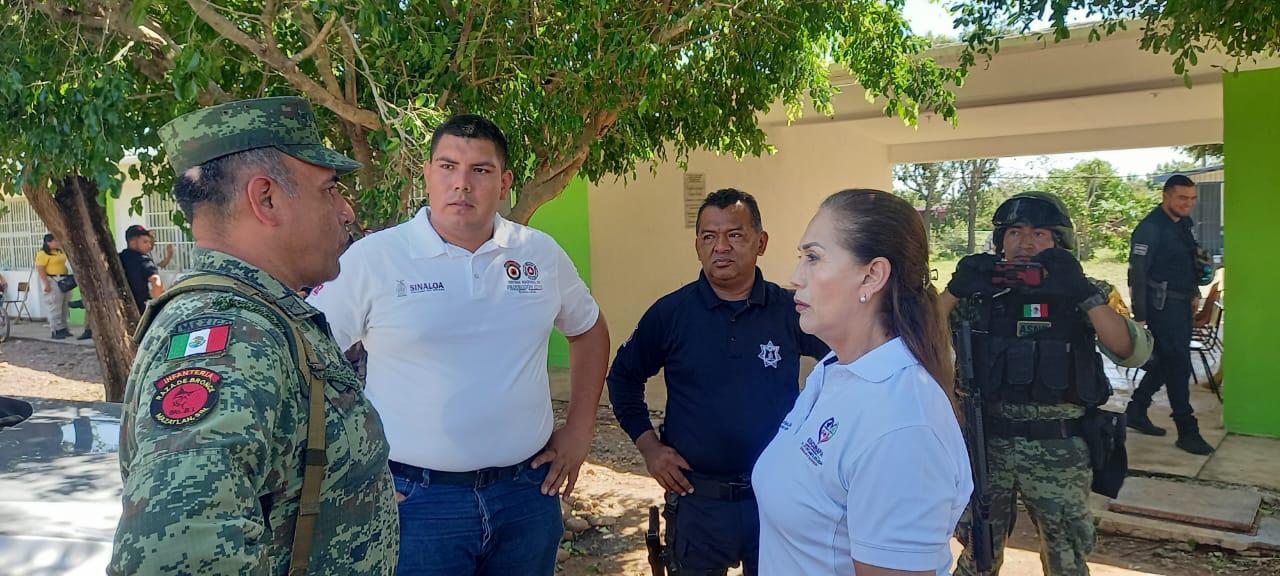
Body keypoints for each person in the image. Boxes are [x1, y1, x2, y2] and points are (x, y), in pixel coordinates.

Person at [308, 113, 610, 576]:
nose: (461, 184)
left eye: (480, 171)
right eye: (447, 167)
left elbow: (587, 329)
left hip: (527, 496)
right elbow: (309, 358)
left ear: (504, 181)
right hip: (417, 502)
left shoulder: (538, 254)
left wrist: (580, 427)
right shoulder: (375, 259)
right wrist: (348, 464)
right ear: (427, 173)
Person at [109, 96, 399, 575]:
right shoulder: (232, 335)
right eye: (330, 190)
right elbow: (174, 556)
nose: (347, 211)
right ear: (265, 198)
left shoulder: (264, 316)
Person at [607, 188, 828, 575]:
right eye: (709, 236)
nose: (721, 247)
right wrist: (649, 448)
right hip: (697, 502)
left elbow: (846, 359)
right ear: (697, 245)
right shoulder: (671, 314)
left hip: (777, 498)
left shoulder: (790, 311)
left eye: (735, 235)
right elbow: (623, 377)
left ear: (761, 242)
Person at [752, 189, 971, 576]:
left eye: (813, 258)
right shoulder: (833, 370)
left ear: (872, 275)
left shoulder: (903, 423)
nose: (795, 277)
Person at [941, 192, 1152, 576]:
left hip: (1060, 449)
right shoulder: (977, 294)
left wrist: (1083, 295)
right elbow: (918, 339)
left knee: (1066, 558)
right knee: (977, 554)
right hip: (987, 447)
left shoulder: (1087, 291)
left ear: (1058, 241)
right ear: (1000, 240)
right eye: (1015, 232)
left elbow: (1132, 351)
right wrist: (954, 292)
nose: (1026, 242)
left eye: (1039, 233)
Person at [1125, 174, 1215, 454]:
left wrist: (1195, 294)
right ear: (1166, 196)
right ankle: (1187, 430)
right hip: (1161, 307)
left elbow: (1187, 262)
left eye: (1192, 199)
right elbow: (1137, 274)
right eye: (1182, 198)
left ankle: (1136, 409)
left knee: (1167, 362)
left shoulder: (1182, 225)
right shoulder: (1150, 229)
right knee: (1178, 365)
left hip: (1181, 304)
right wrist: (1140, 315)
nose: (1188, 204)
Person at [119, 224, 175, 314]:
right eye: (145, 242)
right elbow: (156, 281)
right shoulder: (143, 260)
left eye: (150, 242)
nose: (149, 246)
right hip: (141, 308)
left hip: (121, 307)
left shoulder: (119, 258)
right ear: (132, 242)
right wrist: (158, 306)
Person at [34, 233, 78, 339]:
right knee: (54, 305)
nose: (57, 243)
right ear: (48, 242)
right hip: (52, 279)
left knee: (64, 305)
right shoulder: (43, 254)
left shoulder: (59, 252)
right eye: (55, 241)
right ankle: (55, 329)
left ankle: (64, 328)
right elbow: (40, 269)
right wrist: (46, 283)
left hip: (63, 279)